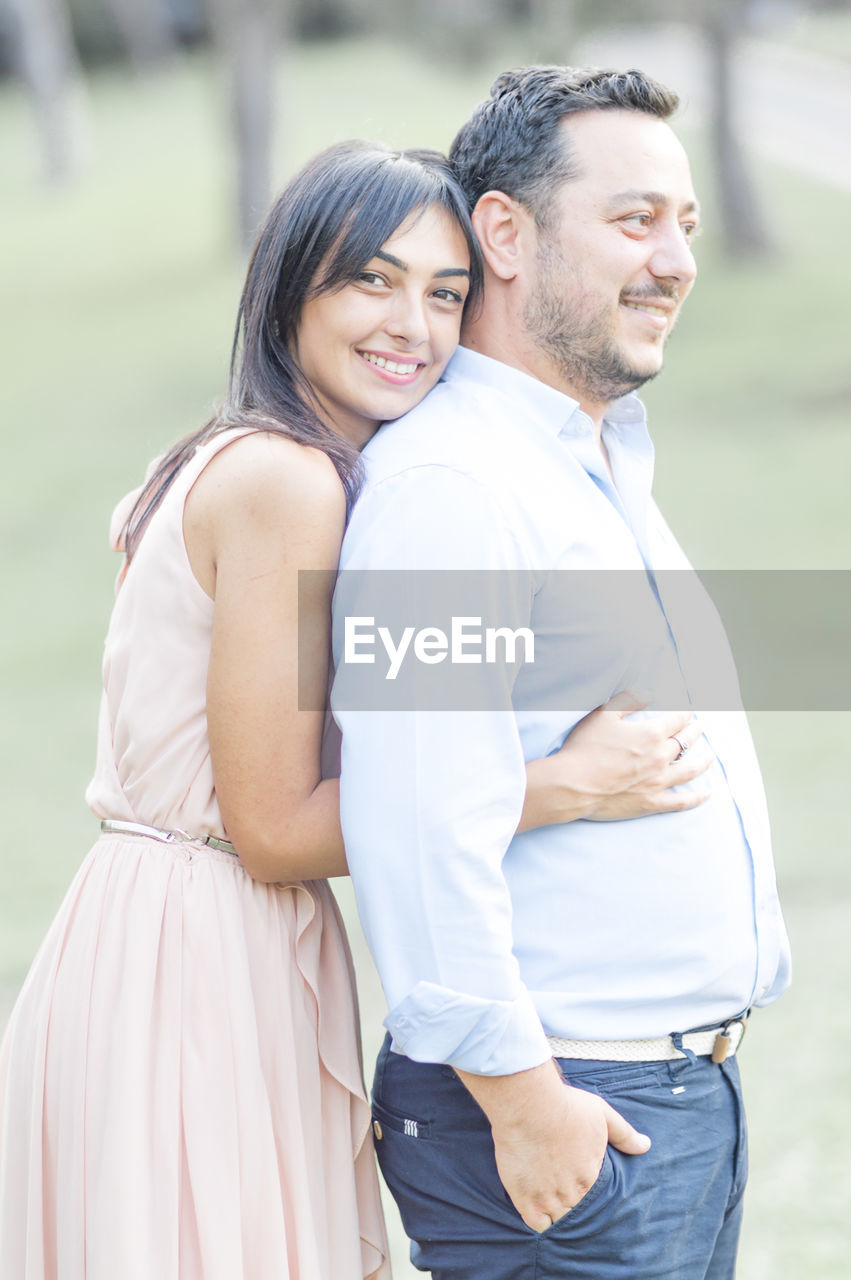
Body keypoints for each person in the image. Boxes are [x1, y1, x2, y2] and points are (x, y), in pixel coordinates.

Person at [0, 136, 709, 1279]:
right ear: (291, 288)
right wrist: (559, 786)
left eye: (443, 292)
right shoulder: (287, 482)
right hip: (201, 944)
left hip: (161, 923)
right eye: (369, 279)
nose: (412, 326)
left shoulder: (253, 455)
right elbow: (272, 827)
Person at [332, 67, 792, 1279]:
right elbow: (414, 828)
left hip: (668, 1097)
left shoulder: (586, 462)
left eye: (684, 225)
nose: (674, 258)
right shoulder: (452, 491)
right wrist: (526, 1100)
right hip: (553, 1103)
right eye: (633, 218)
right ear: (504, 233)